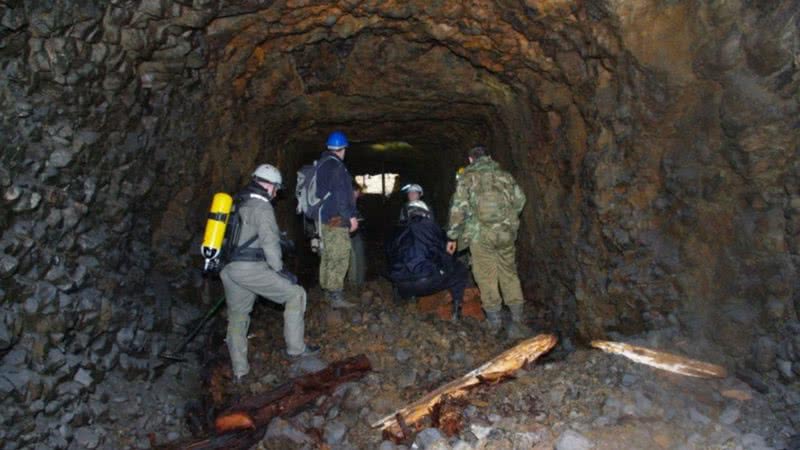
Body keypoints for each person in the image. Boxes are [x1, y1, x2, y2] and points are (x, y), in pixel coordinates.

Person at [220, 164, 319, 383]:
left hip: (229, 269)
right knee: (296, 294)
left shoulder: (238, 202)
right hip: (250, 268)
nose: (276, 193)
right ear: (268, 185)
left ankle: (240, 371)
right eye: (275, 188)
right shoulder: (262, 207)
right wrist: (280, 271)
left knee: (237, 316)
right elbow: (270, 244)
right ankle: (296, 349)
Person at [445, 146, 530, 336]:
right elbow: (520, 200)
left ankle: (494, 322)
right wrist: (506, 219)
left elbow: (458, 210)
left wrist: (452, 236)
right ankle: (517, 319)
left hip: (480, 235)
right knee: (509, 272)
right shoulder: (505, 176)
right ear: (489, 157)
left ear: (470, 159)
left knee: (486, 275)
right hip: (506, 233)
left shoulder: (467, 177)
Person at [387, 201, 469, 320]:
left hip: (400, 285)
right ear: (425, 213)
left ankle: (405, 301)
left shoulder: (396, 230)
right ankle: (456, 310)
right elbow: (445, 253)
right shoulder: (430, 226)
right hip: (425, 282)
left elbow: (390, 258)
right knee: (460, 270)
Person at [315, 131, 358, 308]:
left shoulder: (321, 164)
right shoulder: (337, 167)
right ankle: (335, 296)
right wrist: (351, 217)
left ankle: (327, 291)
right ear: (343, 149)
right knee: (340, 255)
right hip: (336, 220)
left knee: (327, 255)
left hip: (322, 219)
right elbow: (341, 197)